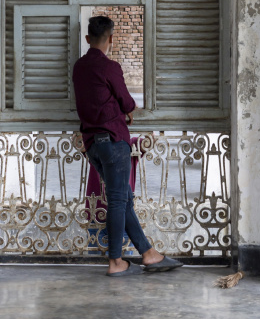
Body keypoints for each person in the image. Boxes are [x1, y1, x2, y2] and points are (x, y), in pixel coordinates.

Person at [72, 15, 183, 277]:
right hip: (112, 141)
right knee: (119, 201)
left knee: (124, 199)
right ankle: (115, 261)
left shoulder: (78, 67)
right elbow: (128, 103)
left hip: (92, 144)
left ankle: (148, 254)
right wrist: (126, 112)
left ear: (88, 39)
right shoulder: (110, 68)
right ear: (111, 39)